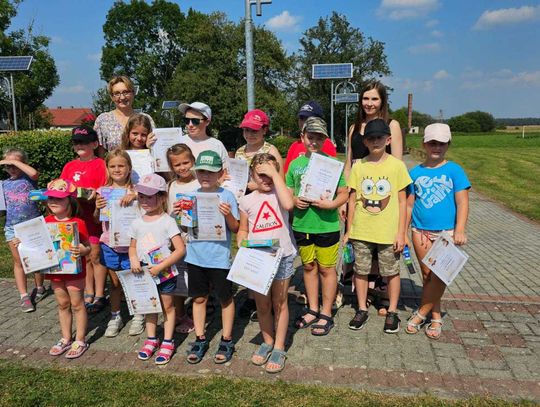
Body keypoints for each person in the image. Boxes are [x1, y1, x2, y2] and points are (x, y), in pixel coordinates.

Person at [343, 119, 412, 334]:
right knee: (361, 271)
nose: (375, 142)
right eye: (371, 138)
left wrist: (402, 233)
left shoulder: (397, 166)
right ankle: (362, 308)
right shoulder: (359, 165)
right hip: (362, 230)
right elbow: (353, 199)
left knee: (391, 272)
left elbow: (402, 201)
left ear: (388, 139)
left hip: (388, 232)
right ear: (364, 141)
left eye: (380, 138)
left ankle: (392, 311)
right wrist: (348, 231)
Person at [405, 123, 470, 339]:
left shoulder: (454, 170)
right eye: (432, 143)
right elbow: (409, 205)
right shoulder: (415, 172)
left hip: (446, 233)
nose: (437, 147)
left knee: (440, 274)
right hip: (420, 231)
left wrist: (460, 229)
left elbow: (462, 202)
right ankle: (435, 315)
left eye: (441, 144)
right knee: (427, 275)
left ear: (448, 145)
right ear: (424, 144)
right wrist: (403, 232)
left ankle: (422, 313)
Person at [286, 117, 348, 336]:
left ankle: (326, 312)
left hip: (327, 225)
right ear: (303, 138)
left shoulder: (332, 164)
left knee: (327, 269)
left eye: (318, 138)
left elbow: (344, 193)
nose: (313, 141)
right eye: (310, 137)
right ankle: (312, 308)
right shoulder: (295, 164)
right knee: (309, 267)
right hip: (302, 224)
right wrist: (294, 201)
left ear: (325, 140)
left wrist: (331, 204)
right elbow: (288, 191)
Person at [237, 153, 296, 373]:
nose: (266, 179)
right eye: (261, 174)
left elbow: (289, 204)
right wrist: (242, 239)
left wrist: (274, 173)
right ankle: (267, 341)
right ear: (252, 174)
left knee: (280, 302)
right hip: (258, 259)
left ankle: (279, 346)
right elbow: (243, 229)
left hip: (283, 256)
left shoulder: (282, 194)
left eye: (271, 174)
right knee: (262, 304)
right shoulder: (246, 200)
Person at [184, 150, 239, 364]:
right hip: (195, 256)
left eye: (210, 172)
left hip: (218, 258)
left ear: (220, 174)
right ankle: (200, 337)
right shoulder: (190, 196)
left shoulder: (227, 196)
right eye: (201, 172)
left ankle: (226, 338)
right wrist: (182, 214)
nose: (205, 176)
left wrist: (227, 214)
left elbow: (235, 228)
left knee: (225, 298)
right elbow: (184, 226)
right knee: (199, 298)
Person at [128, 173, 185, 365]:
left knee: (168, 307)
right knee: (149, 306)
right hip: (144, 273)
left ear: (161, 198)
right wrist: (134, 260)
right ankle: (152, 338)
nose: (144, 200)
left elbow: (180, 250)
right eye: (141, 196)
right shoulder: (137, 222)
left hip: (164, 273)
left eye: (149, 196)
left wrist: (161, 266)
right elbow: (132, 247)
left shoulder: (168, 221)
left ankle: (168, 341)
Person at [235, 109, 283, 320]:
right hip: (246, 205)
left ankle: (269, 298)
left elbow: (278, 177)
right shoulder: (239, 151)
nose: (250, 134)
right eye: (246, 130)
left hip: (267, 206)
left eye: (254, 130)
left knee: (266, 251)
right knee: (250, 251)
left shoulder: (270, 149)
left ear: (264, 129)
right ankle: (253, 296)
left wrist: (250, 184)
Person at [94, 149, 143, 337]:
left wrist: (136, 196)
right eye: (112, 166)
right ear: (107, 168)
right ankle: (115, 316)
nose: (117, 169)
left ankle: (138, 314)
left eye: (121, 165)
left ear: (129, 168)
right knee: (115, 284)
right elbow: (99, 220)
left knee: (135, 279)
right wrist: (98, 209)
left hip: (133, 244)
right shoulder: (102, 192)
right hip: (110, 243)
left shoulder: (138, 190)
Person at [41, 179, 90, 358]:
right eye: (51, 198)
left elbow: (88, 247)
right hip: (54, 270)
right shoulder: (45, 222)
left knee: (77, 304)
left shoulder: (78, 223)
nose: (54, 202)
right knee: (62, 303)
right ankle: (65, 337)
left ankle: (80, 339)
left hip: (74, 270)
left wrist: (83, 249)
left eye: (59, 199)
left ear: (70, 201)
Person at [60, 126, 107, 313]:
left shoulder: (101, 164)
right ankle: (88, 291)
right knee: (84, 256)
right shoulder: (69, 166)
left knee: (95, 255)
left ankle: (100, 294)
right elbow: (62, 187)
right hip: (76, 218)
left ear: (95, 144)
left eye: (84, 142)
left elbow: (105, 190)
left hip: (94, 216)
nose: (80, 145)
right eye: (76, 142)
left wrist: (92, 194)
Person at [0, 148, 45, 312]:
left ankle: (40, 287)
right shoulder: (3, 184)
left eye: (16, 164)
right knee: (19, 262)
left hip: (33, 226)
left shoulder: (29, 180)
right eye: (8, 165)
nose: (12, 168)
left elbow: (34, 173)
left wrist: (14, 161)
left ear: (23, 164)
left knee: (36, 260)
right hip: (12, 228)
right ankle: (24, 296)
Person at [167, 143, 200, 334]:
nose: (182, 167)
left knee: (196, 279)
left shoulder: (200, 182)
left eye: (186, 162)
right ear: (172, 168)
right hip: (178, 240)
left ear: (193, 161)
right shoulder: (171, 186)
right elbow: (168, 213)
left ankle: (198, 314)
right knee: (178, 278)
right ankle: (180, 314)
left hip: (198, 238)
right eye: (177, 165)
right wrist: (174, 212)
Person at [344, 81, 403, 179]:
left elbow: (398, 165)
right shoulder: (354, 128)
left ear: (382, 101)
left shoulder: (392, 125)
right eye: (365, 99)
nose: (369, 103)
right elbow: (348, 164)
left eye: (374, 99)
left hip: (382, 185)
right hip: (357, 185)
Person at [94, 75, 155, 153]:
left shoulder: (146, 118)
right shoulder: (103, 120)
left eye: (126, 92)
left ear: (133, 93)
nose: (122, 97)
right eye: (117, 93)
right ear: (112, 97)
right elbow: (99, 155)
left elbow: (154, 148)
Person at [283, 101, 337, 174]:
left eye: (308, 118)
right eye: (301, 118)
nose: (303, 122)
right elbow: (287, 173)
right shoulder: (294, 146)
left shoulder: (326, 144)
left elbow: (332, 171)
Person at [172, 102, 229, 167]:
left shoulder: (217, 145)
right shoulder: (178, 142)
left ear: (207, 122)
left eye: (195, 121)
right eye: (186, 120)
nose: (190, 125)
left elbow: (226, 172)